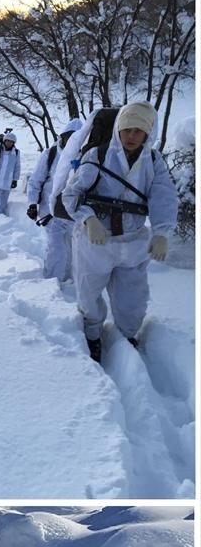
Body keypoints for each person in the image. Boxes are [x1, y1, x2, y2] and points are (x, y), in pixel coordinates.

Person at [61, 101, 179, 361]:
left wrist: (161, 232)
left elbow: (164, 197)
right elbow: (71, 194)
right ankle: (92, 335)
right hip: (95, 241)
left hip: (133, 242)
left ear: (148, 132)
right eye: (127, 129)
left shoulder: (153, 161)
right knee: (89, 292)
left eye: (138, 130)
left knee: (133, 298)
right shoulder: (98, 156)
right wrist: (88, 219)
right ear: (118, 129)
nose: (131, 136)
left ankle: (126, 336)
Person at [26, 118, 83, 282]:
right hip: (51, 210)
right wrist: (32, 203)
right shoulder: (50, 154)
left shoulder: (86, 156)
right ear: (62, 137)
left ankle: (70, 279)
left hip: (74, 211)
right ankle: (52, 281)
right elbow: (36, 180)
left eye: (75, 137)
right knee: (56, 246)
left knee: (73, 247)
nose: (71, 141)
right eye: (68, 137)